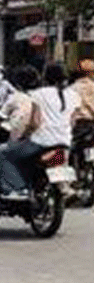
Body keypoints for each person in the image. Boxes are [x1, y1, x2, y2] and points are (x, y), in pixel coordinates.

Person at [0, 65, 45, 201]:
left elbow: (3, 115)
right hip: (58, 143)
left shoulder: (16, 97)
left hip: (29, 141)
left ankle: (15, 188)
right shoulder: (44, 96)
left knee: (3, 154)